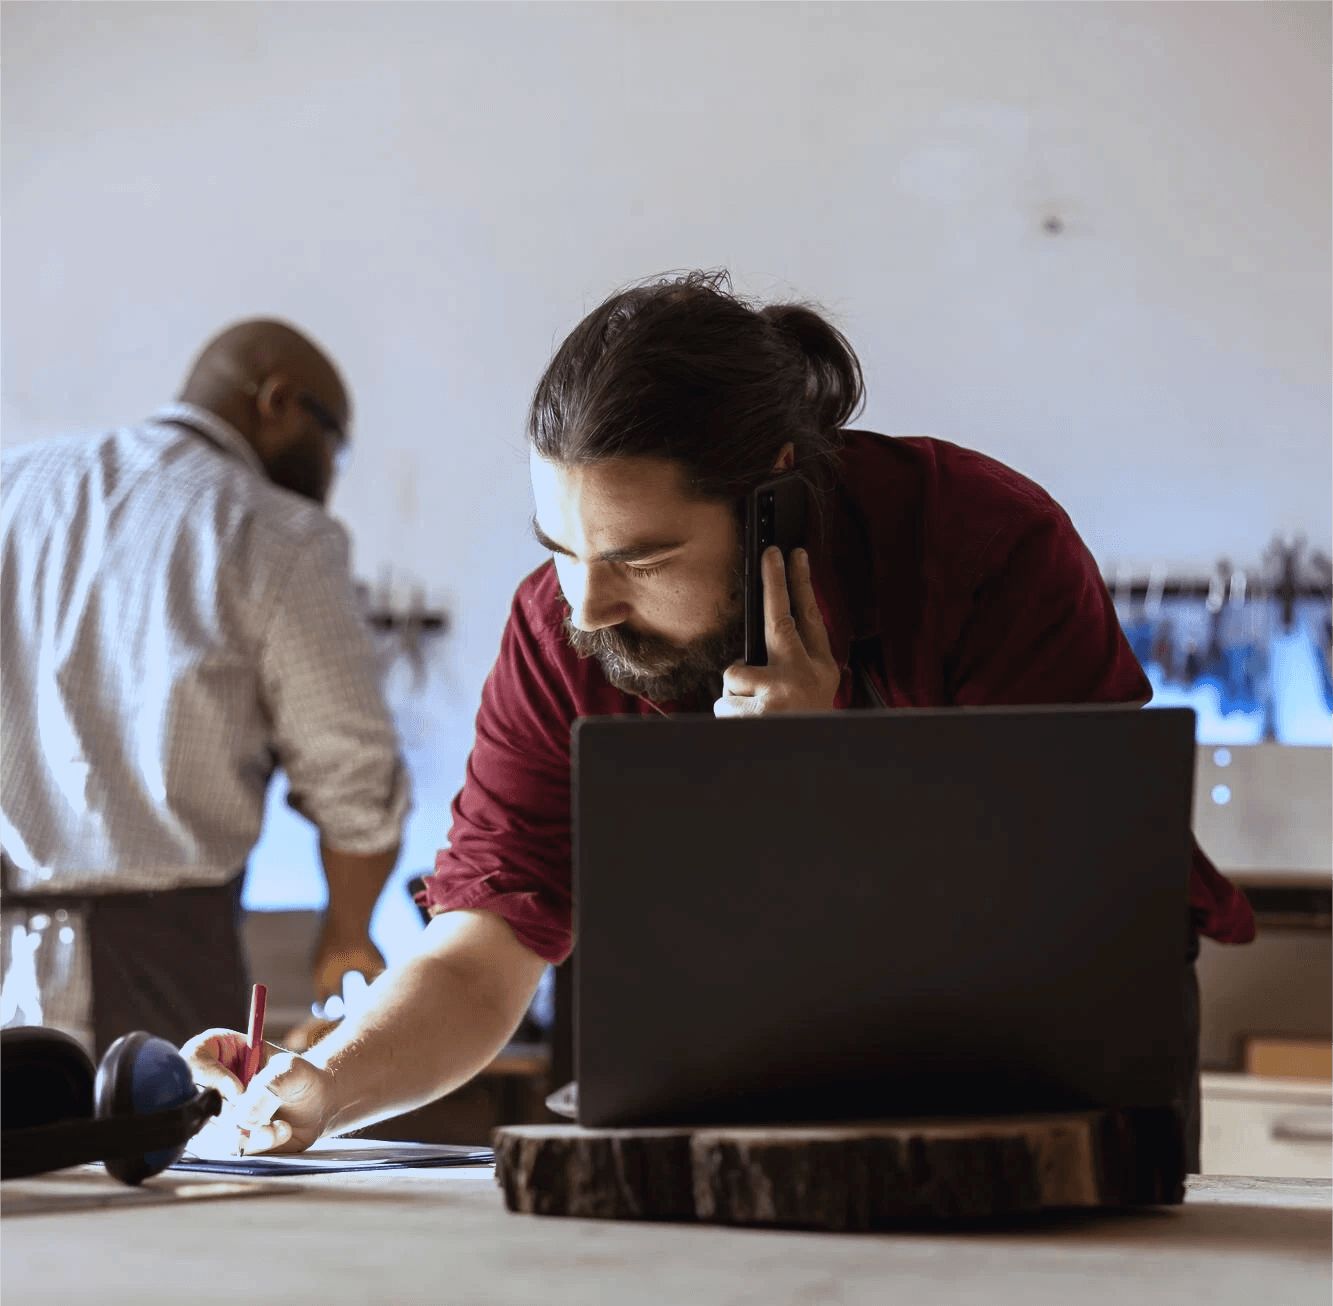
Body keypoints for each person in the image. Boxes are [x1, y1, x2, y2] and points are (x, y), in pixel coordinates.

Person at [183, 273, 1253, 1164]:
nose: (589, 607)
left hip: (1048, 1113)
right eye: (562, 551)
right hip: (748, 1127)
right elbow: (480, 951)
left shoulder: (981, 546)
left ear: (769, 502)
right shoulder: (559, 628)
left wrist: (833, 782)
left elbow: (1077, 922)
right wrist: (325, 1083)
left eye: (640, 558)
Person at [0, 320, 410, 1056]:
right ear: (279, 400)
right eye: (332, 446)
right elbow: (354, 782)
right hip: (156, 968)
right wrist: (346, 936)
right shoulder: (275, 531)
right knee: (173, 1170)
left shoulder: (12, 485)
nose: (329, 472)